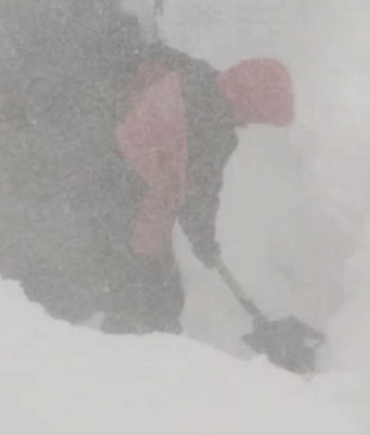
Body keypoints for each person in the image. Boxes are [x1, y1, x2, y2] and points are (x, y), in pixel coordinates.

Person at [96, 41, 295, 335]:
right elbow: (198, 191)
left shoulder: (197, 76)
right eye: (258, 117)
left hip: (108, 166)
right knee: (149, 291)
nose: (253, 125)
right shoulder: (214, 129)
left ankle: (137, 334)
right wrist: (203, 238)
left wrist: (200, 233)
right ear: (248, 107)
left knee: (139, 278)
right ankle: (138, 346)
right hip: (137, 194)